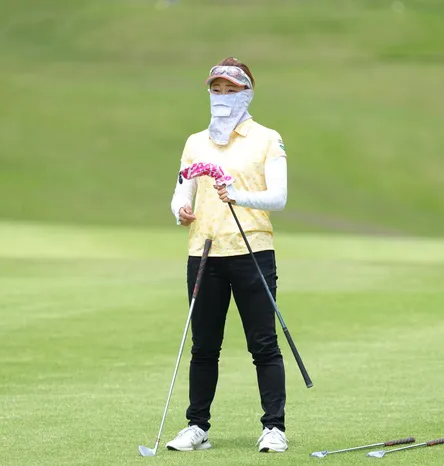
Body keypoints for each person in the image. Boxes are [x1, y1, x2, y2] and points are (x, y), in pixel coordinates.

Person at [167, 57, 290, 453]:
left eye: (231, 90)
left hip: (252, 250)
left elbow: (279, 197)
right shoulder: (195, 142)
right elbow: (181, 191)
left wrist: (238, 195)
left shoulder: (267, 138)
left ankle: (274, 428)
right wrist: (181, 210)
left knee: (263, 345)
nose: (222, 96)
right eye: (216, 89)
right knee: (204, 347)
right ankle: (196, 426)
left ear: (247, 93)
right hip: (204, 251)